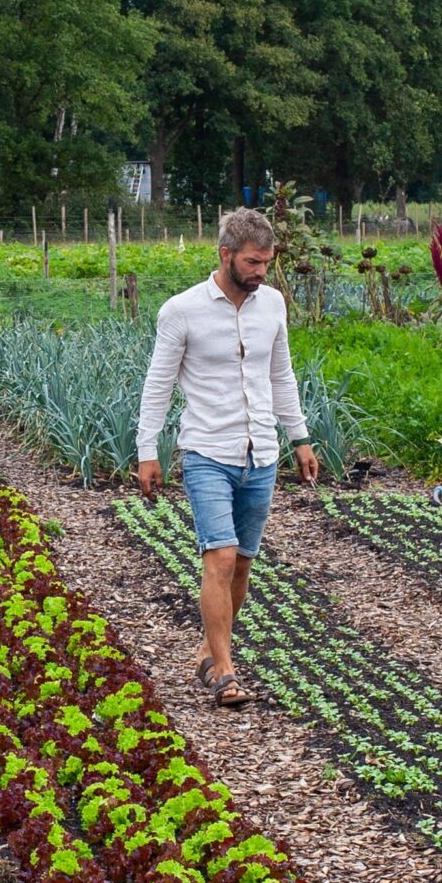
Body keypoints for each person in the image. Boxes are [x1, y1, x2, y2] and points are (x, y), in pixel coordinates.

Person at [134, 206, 319, 706]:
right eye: (253, 262)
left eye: (267, 262)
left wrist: (300, 438)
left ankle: (208, 651)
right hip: (207, 451)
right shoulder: (182, 310)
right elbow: (158, 385)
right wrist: (146, 450)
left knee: (241, 565)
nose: (261, 271)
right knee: (218, 555)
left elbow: (282, 376)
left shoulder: (273, 305)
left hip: (261, 452)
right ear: (225, 254)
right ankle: (224, 670)